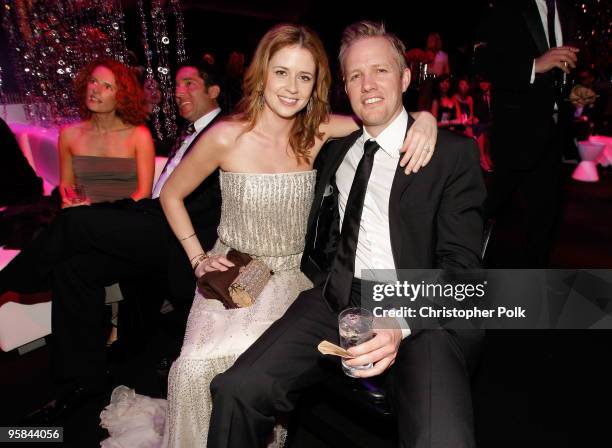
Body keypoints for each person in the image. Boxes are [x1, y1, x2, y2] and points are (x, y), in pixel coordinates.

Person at [99, 23, 439, 448]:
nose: (292, 87)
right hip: (235, 269)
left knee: (243, 370)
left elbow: (381, 118)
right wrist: (197, 258)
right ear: (262, 73)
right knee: (189, 369)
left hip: (289, 277)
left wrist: (425, 119)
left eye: (304, 76)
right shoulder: (226, 135)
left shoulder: (316, 132)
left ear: (317, 85)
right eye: (282, 72)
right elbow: (171, 194)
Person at [207, 21, 486, 448]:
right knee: (236, 389)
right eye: (356, 75)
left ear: (406, 78)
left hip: (420, 311)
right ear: (344, 86)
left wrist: (400, 318)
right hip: (336, 296)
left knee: (441, 437)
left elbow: (463, 272)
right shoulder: (338, 147)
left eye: (381, 71)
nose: (368, 84)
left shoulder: (449, 155)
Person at [0, 59, 224, 420]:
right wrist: (75, 198)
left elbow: (161, 198)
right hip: (144, 221)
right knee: (74, 268)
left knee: (75, 224)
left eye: (189, 85)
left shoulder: (221, 133)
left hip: (171, 235)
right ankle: (83, 377)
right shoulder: (189, 132)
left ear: (214, 91)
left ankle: (8, 282)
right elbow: (77, 187)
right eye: (177, 86)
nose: (178, 92)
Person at [484, 0, 578, 267]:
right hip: (514, 133)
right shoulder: (508, 7)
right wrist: (534, 65)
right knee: (489, 212)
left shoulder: (568, 10)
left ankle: (532, 294)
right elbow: (485, 62)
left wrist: (572, 92)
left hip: (554, 133)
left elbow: (563, 73)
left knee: (542, 226)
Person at [59, 58, 155, 207]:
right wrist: (72, 201)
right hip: (83, 216)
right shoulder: (69, 134)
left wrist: (104, 216)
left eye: (107, 86)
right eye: (93, 81)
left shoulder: (139, 136)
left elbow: (144, 194)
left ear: (121, 97)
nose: (95, 89)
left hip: (126, 215)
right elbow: (67, 186)